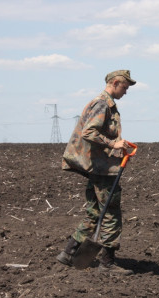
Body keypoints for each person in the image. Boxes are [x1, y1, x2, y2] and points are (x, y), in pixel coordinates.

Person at [56, 69, 137, 276]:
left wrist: (117, 145)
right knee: (110, 214)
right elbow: (89, 132)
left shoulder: (104, 103)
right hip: (101, 169)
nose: (126, 92)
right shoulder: (102, 103)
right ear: (116, 82)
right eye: (125, 87)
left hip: (97, 166)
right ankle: (107, 264)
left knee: (94, 213)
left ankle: (69, 253)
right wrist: (114, 144)